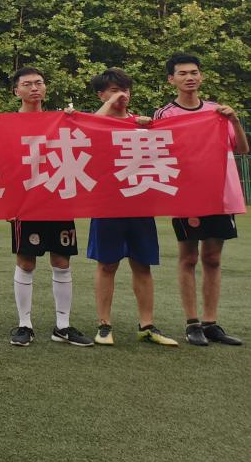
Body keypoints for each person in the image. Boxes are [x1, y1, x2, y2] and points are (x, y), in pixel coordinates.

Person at [153, 53, 247, 346]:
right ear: (171, 79)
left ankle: (211, 322)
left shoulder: (217, 112)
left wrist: (234, 119)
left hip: (219, 194)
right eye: (182, 73)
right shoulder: (165, 114)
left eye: (194, 72)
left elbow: (242, 149)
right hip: (187, 195)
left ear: (201, 76)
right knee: (189, 257)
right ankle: (192, 322)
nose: (189, 78)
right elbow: (158, 152)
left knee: (213, 258)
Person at [86, 68, 177, 346]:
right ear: (101, 95)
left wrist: (145, 126)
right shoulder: (97, 121)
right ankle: (104, 324)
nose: (122, 95)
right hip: (107, 203)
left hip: (139, 201)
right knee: (107, 264)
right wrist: (112, 105)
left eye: (125, 90)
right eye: (114, 90)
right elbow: (91, 127)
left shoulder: (142, 124)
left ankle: (147, 325)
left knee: (142, 264)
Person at [7, 67, 92, 347]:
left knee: (62, 262)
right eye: (27, 84)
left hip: (59, 198)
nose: (34, 88)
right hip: (26, 203)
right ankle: (24, 324)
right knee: (26, 261)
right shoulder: (6, 124)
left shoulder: (61, 120)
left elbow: (96, 131)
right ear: (16, 91)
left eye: (39, 83)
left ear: (45, 88)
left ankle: (63, 326)